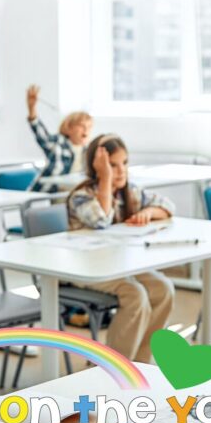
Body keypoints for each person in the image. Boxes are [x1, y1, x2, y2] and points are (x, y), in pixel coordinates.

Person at [66, 134, 175, 362]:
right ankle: (113, 368)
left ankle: (141, 363)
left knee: (163, 289)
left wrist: (148, 212)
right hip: (85, 269)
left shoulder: (130, 193)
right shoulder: (81, 196)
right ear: (96, 167)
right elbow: (101, 219)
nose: (121, 170)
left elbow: (167, 206)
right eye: (112, 165)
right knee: (135, 294)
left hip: (118, 267)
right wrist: (105, 179)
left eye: (124, 163)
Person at [26, 84, 92, 192]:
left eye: (89, 127)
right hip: (51, 194)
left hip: (74, 195)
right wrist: (32, 110)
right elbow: (42, 135)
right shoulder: (58, 143)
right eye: (81, 126)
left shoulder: (88, 150)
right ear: (69, 128)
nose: (86, 130)